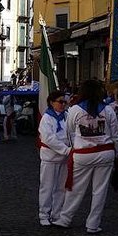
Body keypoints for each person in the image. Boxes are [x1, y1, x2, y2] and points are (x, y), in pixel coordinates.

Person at [52, 80, 118, 234]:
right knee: (99, 191)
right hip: (105, 153)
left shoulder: (75, 110)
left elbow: (69, 132)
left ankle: (65, 218)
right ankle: (93, 224)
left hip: (83, 154)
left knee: (75, 188)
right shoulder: (108, 110)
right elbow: (115, 135)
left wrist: (74, 148)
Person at [37, 90, 70, 226]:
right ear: (52, 103)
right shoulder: (47, 118)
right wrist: (66, 149)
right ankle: (44, 214)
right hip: (50, 157)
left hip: (64, 158)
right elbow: (49, 138)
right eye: (60, 102)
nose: (63, 105)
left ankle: (57, 213)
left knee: (61, 188)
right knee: (47, 187)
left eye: (64, 102)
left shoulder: (67, 116)